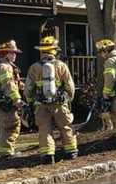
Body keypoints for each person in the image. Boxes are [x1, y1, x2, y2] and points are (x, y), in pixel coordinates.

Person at [24, 36, 77, 164]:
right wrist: (68, 99)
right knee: (65, 127)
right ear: (54, 50)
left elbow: (28, 88)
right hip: (59, 103)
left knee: (44, 129)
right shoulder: (61, 66)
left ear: (42, 50)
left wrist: (31, 101)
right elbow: (70, 86)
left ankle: (47, 155)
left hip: (41, 105)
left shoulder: (34, 67)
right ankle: (71, 151)